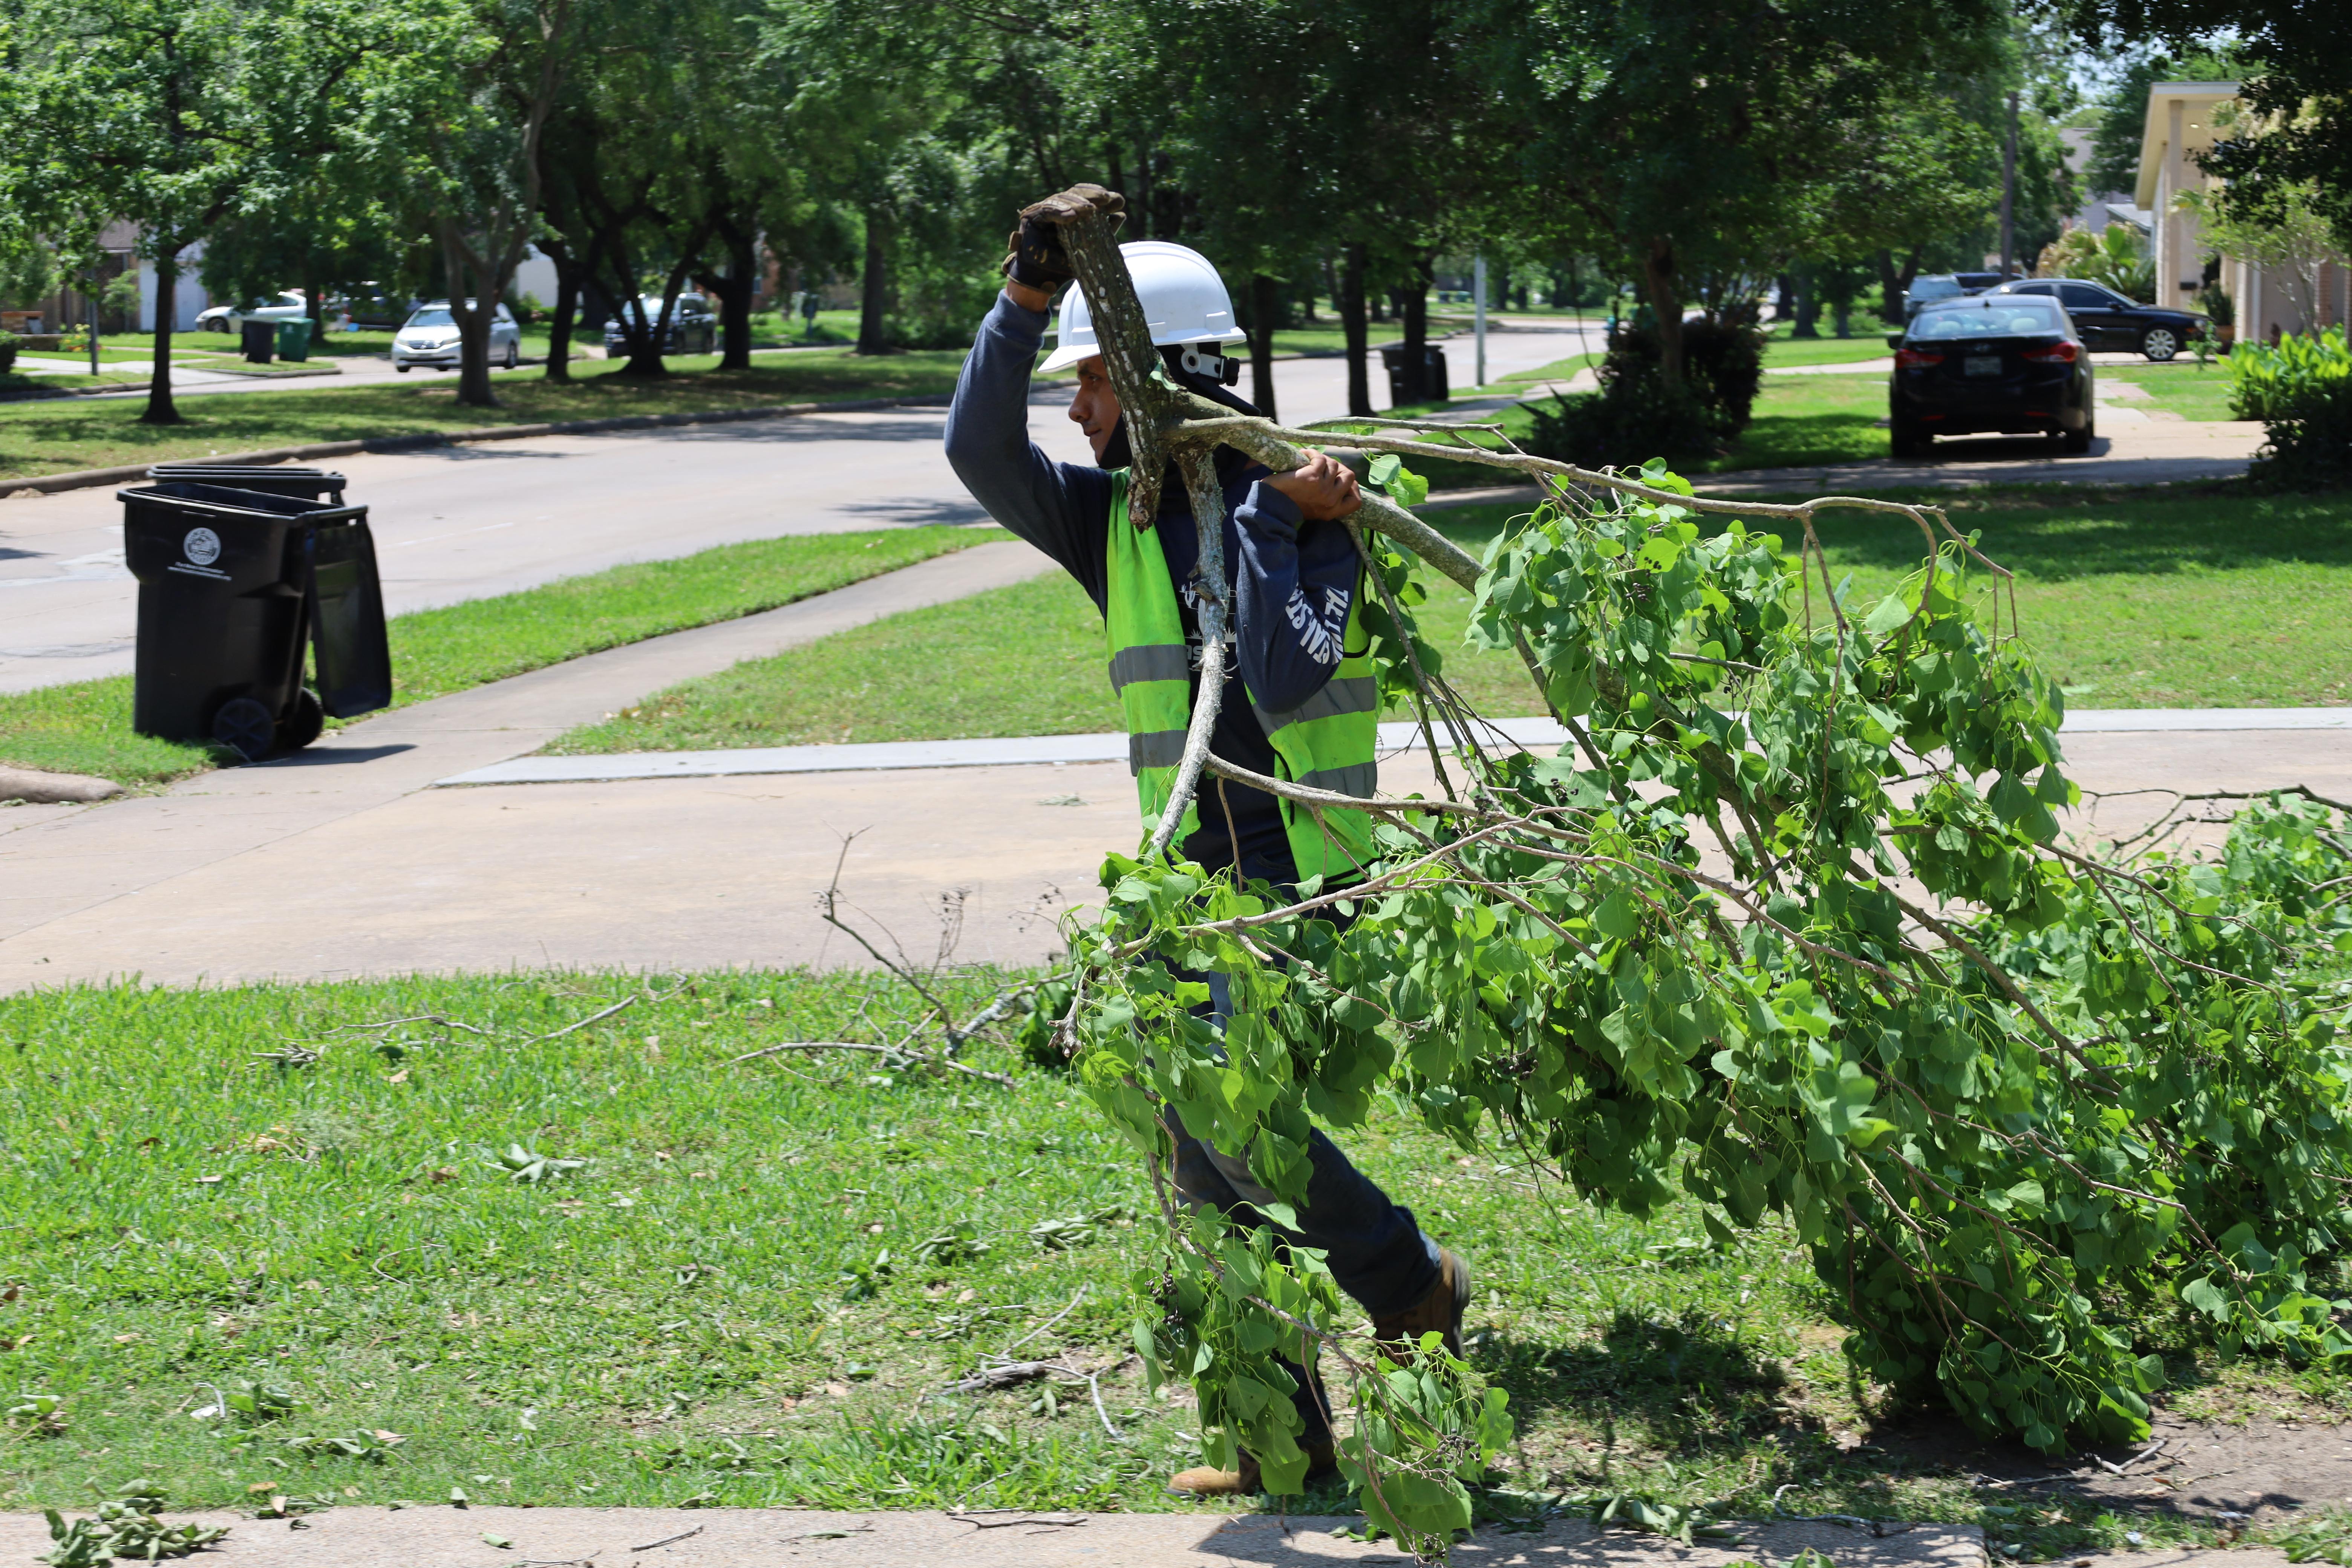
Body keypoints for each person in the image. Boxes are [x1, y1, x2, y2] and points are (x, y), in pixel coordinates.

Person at [943, 185, 1468, 1498]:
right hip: (1187, 877)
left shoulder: (1309, 503)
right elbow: (976, 452)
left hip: (1300, 877)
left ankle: (1404, 1283)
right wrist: (1024, 299)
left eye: (1090, 384)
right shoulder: (1110, 517)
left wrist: (1289, 516)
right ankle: (1279, 1429)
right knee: (1196, 1148)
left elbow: (1285, 686)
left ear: (1152, 374)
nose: (1074, 411)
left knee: (1230, 1128)